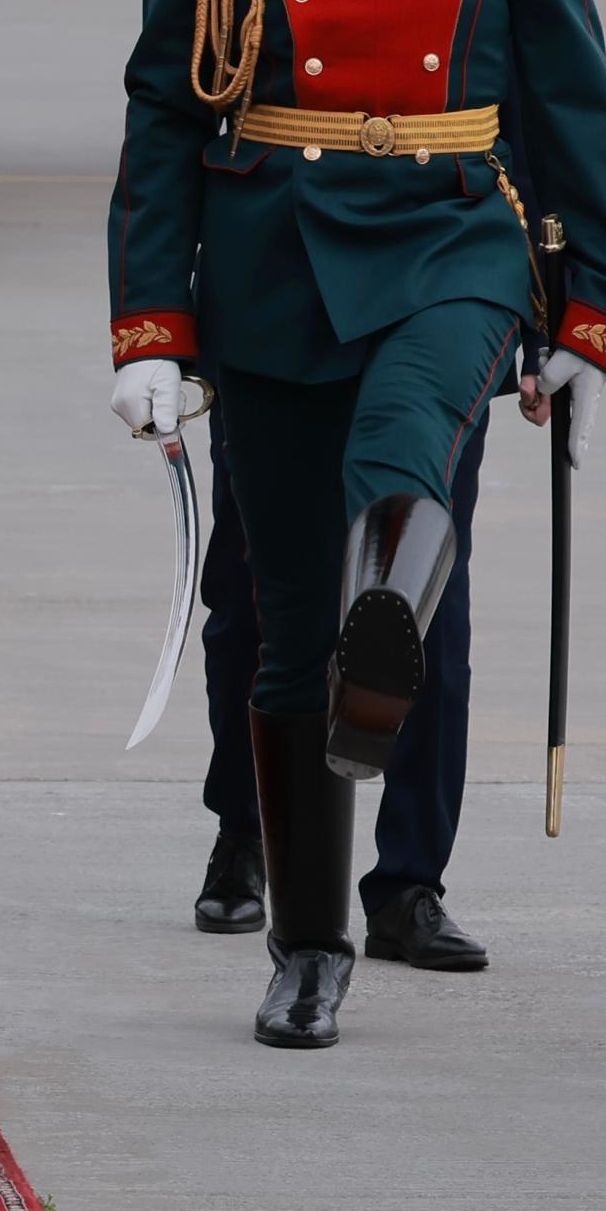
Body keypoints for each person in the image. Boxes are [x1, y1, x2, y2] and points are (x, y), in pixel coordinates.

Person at [108, 0, 606, 1050]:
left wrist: (592, 311)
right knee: (282, 628)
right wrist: (149, 324)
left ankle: (385, 628)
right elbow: (161, 114)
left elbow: (572, 101)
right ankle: (309, 942)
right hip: (273, 250)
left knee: (405, 456)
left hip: (454, 235)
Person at [188, 410, 486, 967]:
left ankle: (410, 881)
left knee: (425, 604)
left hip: (432, 335)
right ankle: (245, 827)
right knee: (254, 595)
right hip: (278, 336)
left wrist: (559, 338)